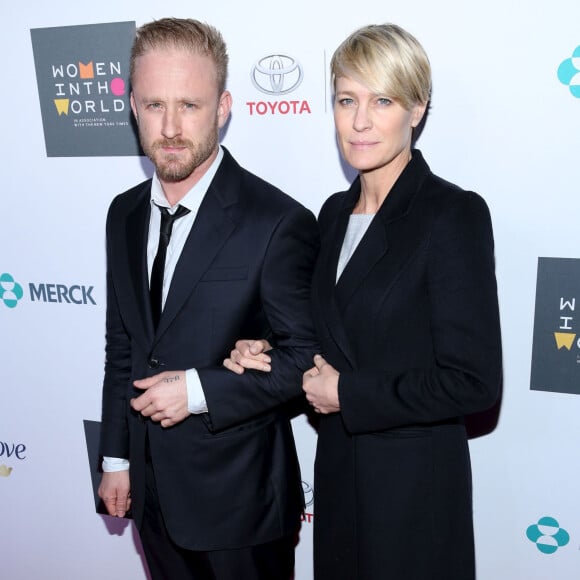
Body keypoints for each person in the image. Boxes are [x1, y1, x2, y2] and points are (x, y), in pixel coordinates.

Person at [224, 23, 502, 580]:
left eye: (382, 100)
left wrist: (348, 393)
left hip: (413, 496)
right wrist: (267, 349)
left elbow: (474, 382)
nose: (360, 121)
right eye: (346, 99)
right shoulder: (331, 214)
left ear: (417, 109)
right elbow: (328, 339)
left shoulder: (452, 215)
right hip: (339, 480)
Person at [97, 17, 319, 580]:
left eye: (189, 106)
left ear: (222, 108)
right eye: (153, 106)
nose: (170, 127)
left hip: (241, 508)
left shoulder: (276, 221)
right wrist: (117, 458)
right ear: (132, 107)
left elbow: (306, 360)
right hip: (151, 498)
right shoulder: (123, 213)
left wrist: (196, 390)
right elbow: (123, 348)